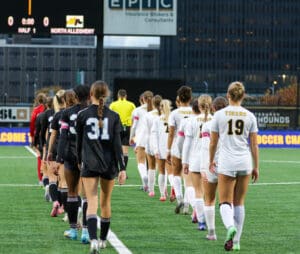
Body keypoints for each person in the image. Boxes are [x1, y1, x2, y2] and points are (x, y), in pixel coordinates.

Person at [76, 80, 126, 253]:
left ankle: (93, 241)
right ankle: (103, 239)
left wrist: (78, 160)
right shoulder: (113, 116)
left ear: (91, 94)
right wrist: (123, 168)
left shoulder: (82, 115)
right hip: (109, 164)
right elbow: (117, 146)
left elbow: (78, 143)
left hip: (89, 163)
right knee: (106, 202)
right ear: (107, 95)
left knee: (91, 201)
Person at [209, 81, 259, 251]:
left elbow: (213, 142)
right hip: (245, 161)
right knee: (239, 203)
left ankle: (230, 226)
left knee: (224, 202)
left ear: (228, 95)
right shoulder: (250, 116)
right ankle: (236, 242)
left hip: (227, 161)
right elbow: (254, 145)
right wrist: (256, 166)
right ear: (243, 96)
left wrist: (210, 160)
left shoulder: (219, 115)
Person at [56, 86, 90, 243]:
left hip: (71, 155)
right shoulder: (95, 111)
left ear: (75, 96)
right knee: (88, 195)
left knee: (71, 193)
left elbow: (63, 137)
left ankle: (73, 230)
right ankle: (86, 232)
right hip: (90, 157)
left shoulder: (67, 113)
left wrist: (59, 159)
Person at [182, 95, 213, 229]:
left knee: (198, 192)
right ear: (210, 106)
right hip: (210, 161)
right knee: (209, 194)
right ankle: (207, 219)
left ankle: (201, 221)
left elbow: (187, 144)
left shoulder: (192, 121)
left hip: (195, 159)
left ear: (199, 106)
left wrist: (185, 161)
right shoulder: (215, 120)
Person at [199, 96, 228, 240]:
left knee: (209, 199)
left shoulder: (208, 125)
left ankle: (211, 233)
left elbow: (205, 147)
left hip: (212, 165)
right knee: (228, 201)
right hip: (227, 166)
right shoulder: (230, 125)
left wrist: (203, 168)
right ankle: (231, 229)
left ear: (213, 108)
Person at [166, 85, 193, 212]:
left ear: (179, 98)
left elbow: (171, 133)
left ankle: (179, 198)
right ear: (190, 98)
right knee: (188, 176)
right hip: (192, 147)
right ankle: (187, 205)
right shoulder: (194, 111)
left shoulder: (174, 113)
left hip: (178, 145)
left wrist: (168, 150)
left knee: (176, 173)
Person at [46, 89, 67, 217]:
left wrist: (48, 151)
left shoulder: (56, 115)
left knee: (53, 179)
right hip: (67, 150)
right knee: (64, 182)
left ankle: (55, 202)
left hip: (54, 149)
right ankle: (65, 207)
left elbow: (51, 135)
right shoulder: (73, 113)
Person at [129, 91, 154, 191]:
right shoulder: (157, 110)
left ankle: (144, 178)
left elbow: (134, 125)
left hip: (141, 138)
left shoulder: (137, 110)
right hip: (153, 139)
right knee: (152, 164)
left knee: (140, 162)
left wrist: (131, 137)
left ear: (142, 99)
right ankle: (149, 186)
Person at [109, 89, 136, 172]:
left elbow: (109, 117)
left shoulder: (113, 105)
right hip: (127, 128)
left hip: (116, 128)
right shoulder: (131, 105)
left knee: (115, 150)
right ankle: (123, 171)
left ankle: (116, 171)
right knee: (125, 152)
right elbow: (134, 118)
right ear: (126, 96)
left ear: (118, 95)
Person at [151, 99, 172, 201]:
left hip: (160, 148)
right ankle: (173, 189)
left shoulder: (157, 119)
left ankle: (162, 194)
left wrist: (155, 150)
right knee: (171, 172)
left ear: (161, 108)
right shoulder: (173, 118)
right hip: (171, 149)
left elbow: (154, 136)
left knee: (161, 171)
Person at [29, 92, 46, 185]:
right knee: (47, 156)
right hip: (48, 135)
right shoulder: (48, 109)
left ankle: (41, 179)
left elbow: (32, 124)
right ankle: (49, 177)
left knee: (39, 156)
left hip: (38, 136)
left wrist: (32, 137)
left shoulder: (36, 110)